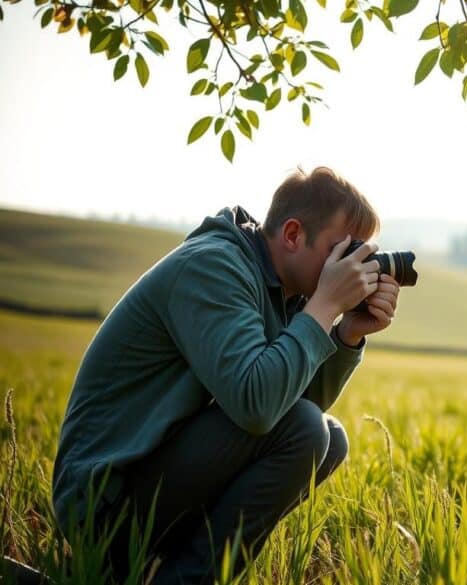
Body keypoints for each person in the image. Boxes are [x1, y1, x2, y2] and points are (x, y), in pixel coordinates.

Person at [51, 166, 399, 584]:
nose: (351, 267)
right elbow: (258, 407)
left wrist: (347, 334)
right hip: (103, 504)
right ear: (292, 235)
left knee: (329, 438)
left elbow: (290, 404)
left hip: (151, 482)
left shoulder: (284, 291)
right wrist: (324, 307)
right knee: (310, 430)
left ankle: (158, 572)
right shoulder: (214, 267)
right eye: (341, 250)